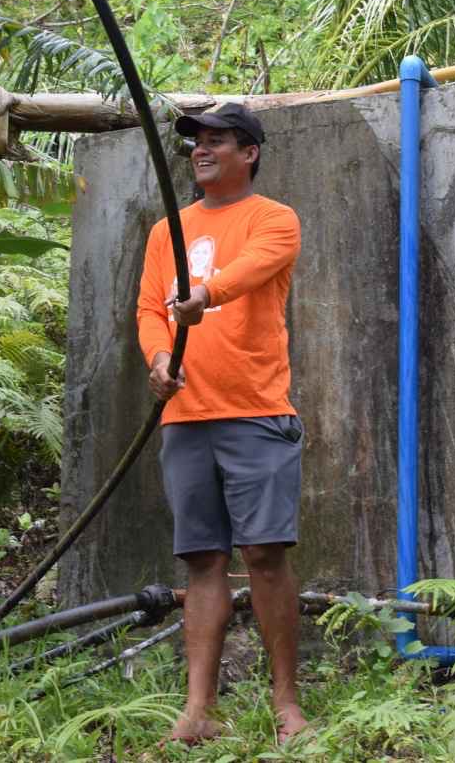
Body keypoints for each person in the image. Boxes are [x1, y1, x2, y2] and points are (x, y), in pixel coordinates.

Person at [134, 102, 308, 745]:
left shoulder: (274, 219)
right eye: (196, 143)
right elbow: (151, 309)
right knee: (203, 559)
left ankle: (287, 704)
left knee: (264, 553)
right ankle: (198, 709)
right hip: (186, 415)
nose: (201, 150)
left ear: (249, 152)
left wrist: (204, 295)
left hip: (257, 411)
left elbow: (246, 272)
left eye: (217, 141)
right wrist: (158, 359)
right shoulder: (166, 232)